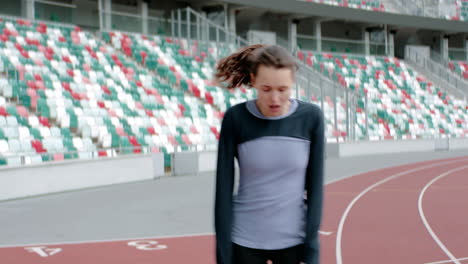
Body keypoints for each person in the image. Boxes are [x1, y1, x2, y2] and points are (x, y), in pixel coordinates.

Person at [213, 44, 325, 264]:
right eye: (266, 89)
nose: (274, 99)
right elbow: (223, 191)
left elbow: (315, 188)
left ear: (293, 83)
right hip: (244, 243)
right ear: (253, 80)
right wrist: (223, 255)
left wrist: (312, 250)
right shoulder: (236, 119)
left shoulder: (311, 118)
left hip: (294, 244)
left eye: (282, 90)